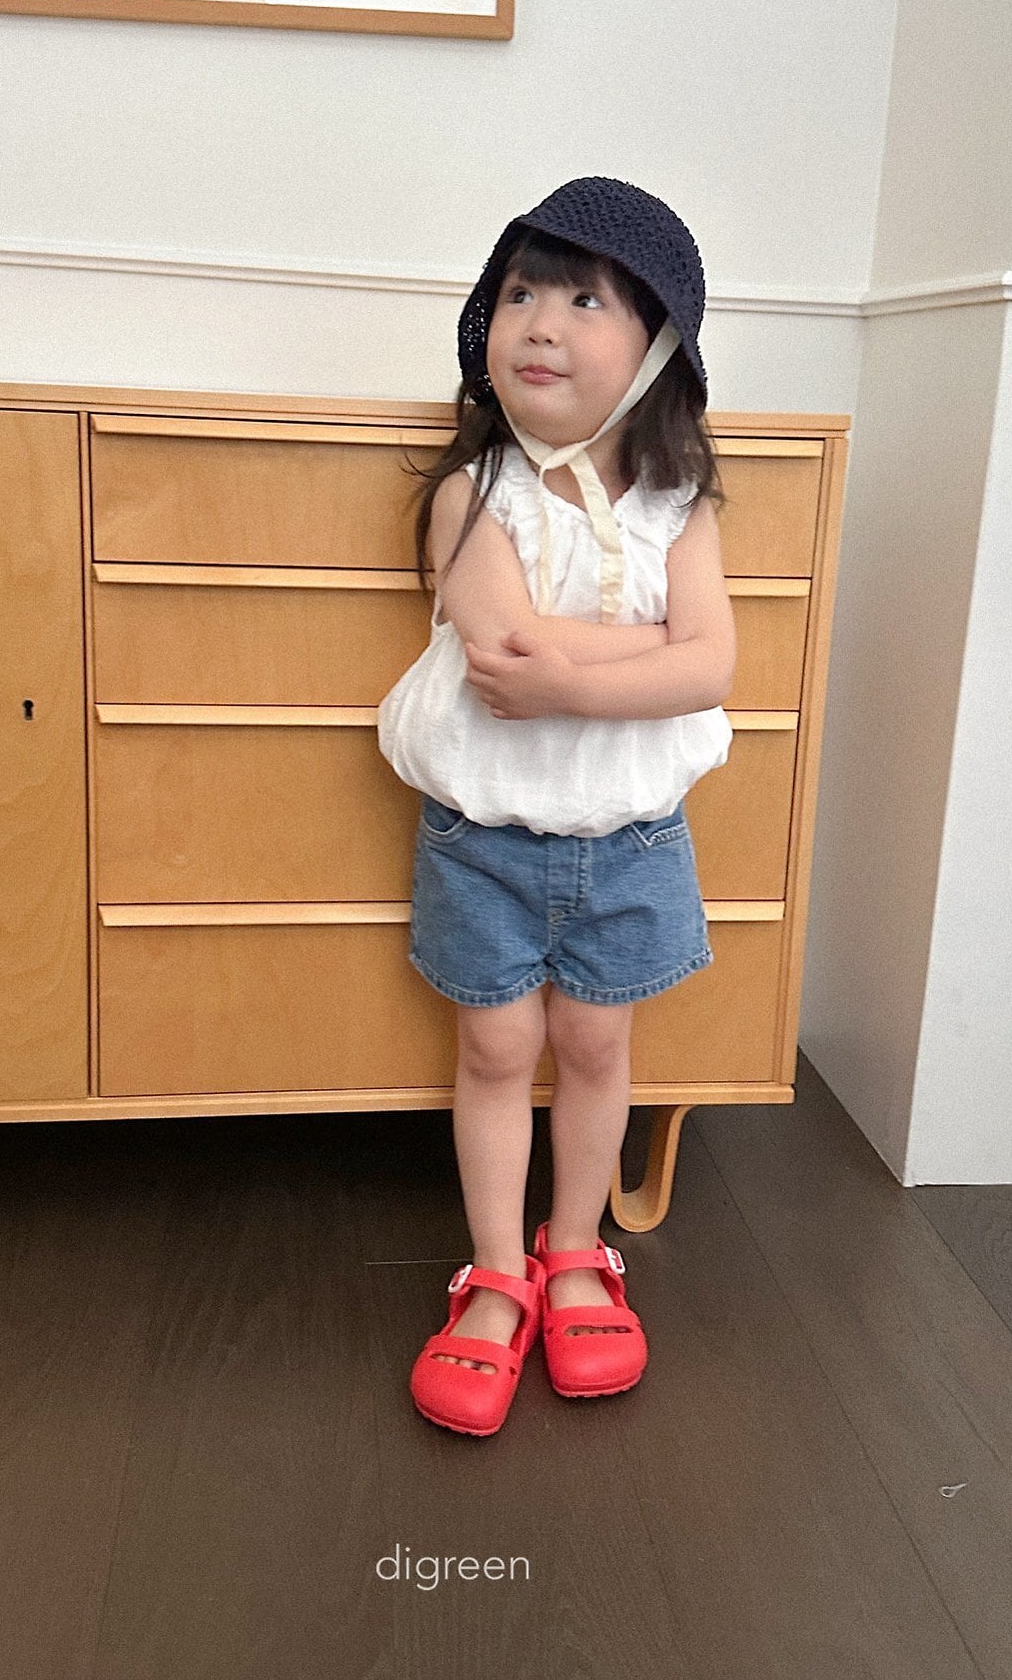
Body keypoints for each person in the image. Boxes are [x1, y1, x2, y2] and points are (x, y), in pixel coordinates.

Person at [377, 177, 737, 1438]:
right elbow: (501, 655)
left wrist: (579, 674)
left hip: (629, 842)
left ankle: (576, 1248)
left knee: (593, 1047)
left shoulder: (678, 507)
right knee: (493, 1051)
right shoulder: (473, 492)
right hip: (483, 841)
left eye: (584, 300)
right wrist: (638, 653)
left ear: (656, 352)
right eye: (521, 291)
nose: (537, 320)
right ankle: (495, 1271)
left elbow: (710, 664)